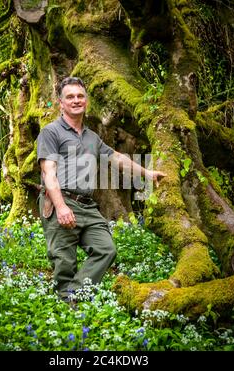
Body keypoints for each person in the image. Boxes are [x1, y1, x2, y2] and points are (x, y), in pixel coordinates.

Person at [37, 77, 166, 303]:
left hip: (87, 205)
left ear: (86, 101)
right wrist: (61, 207)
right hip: (61, 200)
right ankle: (66, 309)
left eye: (80, 96)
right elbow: (49, 173)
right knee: (64, 262)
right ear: (61, 103)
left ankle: (75, 295)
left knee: (106, 250)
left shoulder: (91, 137)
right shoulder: (51, 132)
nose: (76, 100)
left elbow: (116, 158)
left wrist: (147, 173)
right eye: (70, 97)